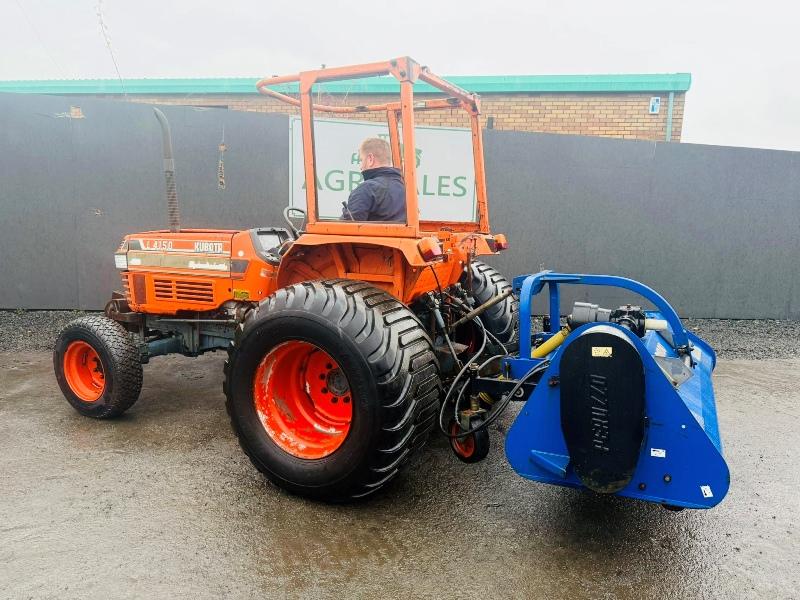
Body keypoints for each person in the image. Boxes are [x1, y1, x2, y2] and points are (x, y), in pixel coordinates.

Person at [342, 138, 406, 222]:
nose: (360, 167)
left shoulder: (366, 189)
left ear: (370, 159)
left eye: (361, 160)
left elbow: (347, 228)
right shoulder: (405, 189)